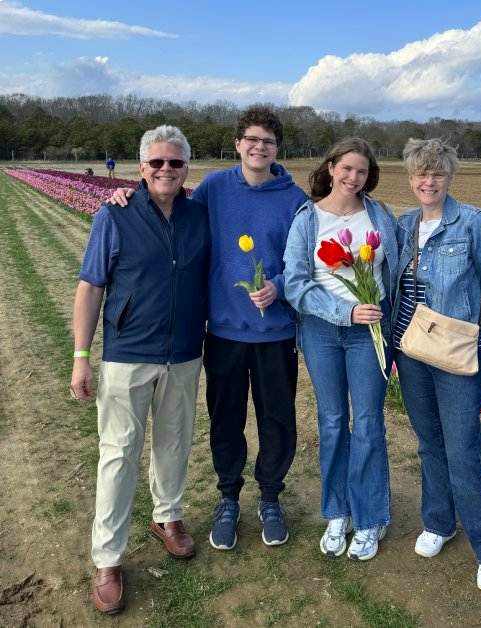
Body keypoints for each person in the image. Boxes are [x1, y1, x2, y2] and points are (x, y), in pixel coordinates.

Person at [107, 107, 309, 551]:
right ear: (237, 143)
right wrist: (128, 196)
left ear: (278, 149)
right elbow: (170, 209)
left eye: (269, 142)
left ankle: (271, 497)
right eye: (251, 139)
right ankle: (228, 497)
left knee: (277, 419)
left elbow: (303, 263)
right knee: (226, 419)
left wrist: (276, 287)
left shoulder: (294, 199)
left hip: (275, 334)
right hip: (223, 333)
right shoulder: (215, 188)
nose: (259, 147)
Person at [71, 126, 210, 614]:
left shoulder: (199, 216)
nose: (166, 170)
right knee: (119, 453)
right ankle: (107, 557)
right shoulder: (116, 214)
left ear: (187, 167)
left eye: (175, 163)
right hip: (128, 353)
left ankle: (167, 517)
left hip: (184, 352)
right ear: (141, 167)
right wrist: (81, 356)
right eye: (156, 163)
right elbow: (90, 287)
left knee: (174, 441)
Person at [388, 138, 481, 592]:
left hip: (460, 353)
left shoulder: (472, 223)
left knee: (463, 452)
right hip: (412, 351)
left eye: (437, 173)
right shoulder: (403, 226)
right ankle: (439, 522)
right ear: (411, 177)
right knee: (429, 444)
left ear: (449, 177)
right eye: (421, 173)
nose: (429, 181)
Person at [283, 137, 400, 561]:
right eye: (346, 168)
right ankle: (337, 511)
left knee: (368, 422)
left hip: (371, 333)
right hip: (322, 332)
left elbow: (399, 269)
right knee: (332, 421)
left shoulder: (380, 216)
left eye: (362, 171)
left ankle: (370, 517)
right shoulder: (307, 220)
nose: (353, 178)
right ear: (331, 167)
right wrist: (342, 311)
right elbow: (295, 284)